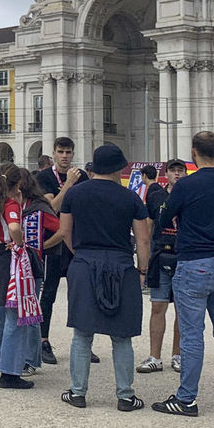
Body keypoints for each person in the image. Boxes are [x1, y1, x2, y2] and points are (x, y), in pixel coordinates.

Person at [150, 132, 214, 417]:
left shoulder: (186, 184)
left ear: (193, 153)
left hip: (193, 260)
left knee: (192, 334)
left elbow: (164, 217)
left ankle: (187, 398)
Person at [55, 143, 150, 411]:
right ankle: (125, 395)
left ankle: (77, 392)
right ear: (119, 168)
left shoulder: (75, 194)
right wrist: (142, 271)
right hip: (120, 264)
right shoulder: (130, 197)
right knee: (122, 335)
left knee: (82, 334)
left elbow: (65, 232)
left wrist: (82, 254)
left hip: (85, 262)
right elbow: (143, 240)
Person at [0, 164, 55, 389]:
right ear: (18, 184)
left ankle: (4, 362)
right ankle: (10, 372)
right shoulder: (11, 203)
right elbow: (14, 227)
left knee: (5, 313)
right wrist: (20, 243)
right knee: (16, 317)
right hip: (10, 260)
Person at [34, 137, 92, 364]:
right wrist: (68, 184)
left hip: (76, 242)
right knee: (48, 292)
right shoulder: (44, 177)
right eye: (61, 152)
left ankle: (84, 341)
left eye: (68, 152)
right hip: (52, 242)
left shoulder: (83, 177)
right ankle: (43, 340)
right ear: (54, 154)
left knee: (81, 293)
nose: (65, 156)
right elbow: (51, 208)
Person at [137, 160, 184, 375]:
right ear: (166, 174)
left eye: (180, 170)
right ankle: (155, 356)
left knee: (181, 310)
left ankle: (178, 355)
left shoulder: (188, 195)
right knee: (158, 306)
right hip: (160, 253)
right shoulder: (156, 195)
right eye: (173, 171)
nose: (177, 174)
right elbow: (148, 225)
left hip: (183, 256)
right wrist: (143, 262)